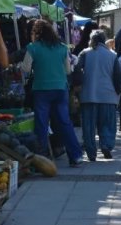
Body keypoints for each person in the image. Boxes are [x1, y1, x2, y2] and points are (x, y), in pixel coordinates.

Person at [21, 19, 84, 167]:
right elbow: (68, 70)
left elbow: (25, 68)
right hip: (60, 89)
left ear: (36, 33)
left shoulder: (33, 47)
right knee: (64, 122)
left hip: (41, 90)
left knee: (41, 125)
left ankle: (42, 160)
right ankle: (75, 156)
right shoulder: (62, 48)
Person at [76, 30, 121, 160]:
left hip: (88, 95)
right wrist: (117, 91)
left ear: (92, 40)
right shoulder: (112, 55)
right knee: (107, 123)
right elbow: (118, 76)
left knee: (89, 126)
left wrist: (77, 87)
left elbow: (77, 70)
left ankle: (91, 152)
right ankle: (106, 145)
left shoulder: (85, 53)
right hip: (108, 96)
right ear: (104, 40)